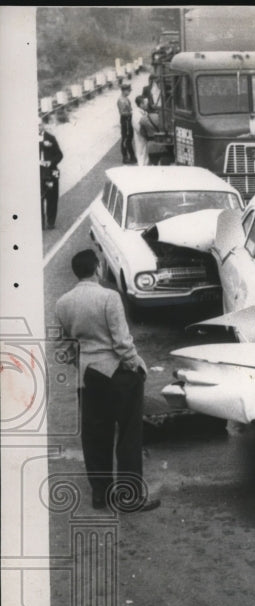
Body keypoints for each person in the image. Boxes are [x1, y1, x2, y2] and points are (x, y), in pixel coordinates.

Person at [54, 249, 160, 512]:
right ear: (98, 268)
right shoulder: (109, 297)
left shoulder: (62, 303)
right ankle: (129, 496)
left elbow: (63, 346)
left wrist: (79, 362)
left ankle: (100, 495)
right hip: (117, 374)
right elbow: (122, 342)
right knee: (128, 435)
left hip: (87, 379)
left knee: (94, 436)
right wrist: (138, 365)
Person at [39, 116, 63, 229]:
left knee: (52, 198)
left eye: (39, 125)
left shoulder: (50, 138)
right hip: (38, 173)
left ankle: (51, 222)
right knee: (38, 198)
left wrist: (51, 162)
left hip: (50, 171)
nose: (37, 128)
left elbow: (59, 155)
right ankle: (40, 223)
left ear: (42, 125)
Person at [117, 84, 136, 164]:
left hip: (128, 119)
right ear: (124, 91)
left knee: (129, 138)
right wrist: (131, 113)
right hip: (125, 120)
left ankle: (132, 156)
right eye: (128, 91)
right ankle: (125, 157)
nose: (129, 92)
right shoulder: (121, 100)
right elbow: (122, 113)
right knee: (125, 139)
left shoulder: (126, 99)